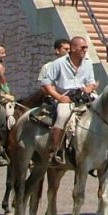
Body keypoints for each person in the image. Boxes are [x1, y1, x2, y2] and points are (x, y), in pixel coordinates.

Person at [39, 36, 97, 164]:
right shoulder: (58, 64)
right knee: (62, 116)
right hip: (66, 98)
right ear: (73, 48)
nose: (85, 50)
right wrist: (59, 97)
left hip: (84, 97)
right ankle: (54, 151)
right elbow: (46, 83)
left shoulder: (87, 63)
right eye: (83, 47)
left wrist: (89, 88)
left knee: (105, 110)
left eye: (86, 47)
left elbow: (91, 82)